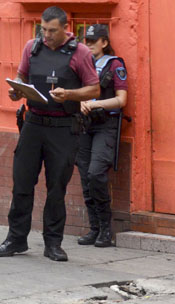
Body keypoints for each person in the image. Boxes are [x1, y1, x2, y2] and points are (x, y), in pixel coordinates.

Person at [0, 6, 99, 262]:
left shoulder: (80, 53)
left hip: (64, 128)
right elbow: (22, 77)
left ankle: (53, 244)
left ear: (65, 28)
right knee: (22, 183)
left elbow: (94, 90)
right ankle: (16, 239)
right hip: (33, 124)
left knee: (56, 188)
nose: (46, 35)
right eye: (43, 29)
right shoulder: (32, 47)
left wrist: (70, 94)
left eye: (52, 30)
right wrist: (16, 91)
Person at [75, 24, 127, 249]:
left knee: (96, 173)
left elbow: (121, 100)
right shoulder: (81, 64)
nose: (88, 45)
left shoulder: (114, 65)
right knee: (86, 176)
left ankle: (106, 229)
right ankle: (94, 228)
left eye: (92, 41)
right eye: (85, 41)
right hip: (85, 125)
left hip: (105, 124)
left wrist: (94, 104)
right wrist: (80, 103)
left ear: (104, 42)